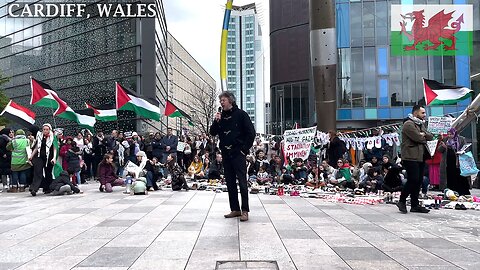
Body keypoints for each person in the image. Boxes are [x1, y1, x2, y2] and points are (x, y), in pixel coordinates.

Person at [210, 91, 255, 222]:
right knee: (229, 182)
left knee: (242, 182)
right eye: (220, 101)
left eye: (223, 100)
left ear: (230, 100)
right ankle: (235, 209)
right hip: (226, 153)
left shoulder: (241, 115)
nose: (221, 103)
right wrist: (216, 121)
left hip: (238, 153)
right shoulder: (221, 116)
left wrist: (244, 150)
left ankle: (245, 210)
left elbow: (251, 133)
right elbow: (212, 132)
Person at [397, 105, 433, 214]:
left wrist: (423, 134)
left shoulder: (420, 124)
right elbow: (418, 138)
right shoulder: (408, 124)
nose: (424, 115)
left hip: (420, 156)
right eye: (422, 113)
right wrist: (423, 135)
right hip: (410, 157)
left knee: (418, 181)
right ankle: (402, 201)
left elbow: (430, 136)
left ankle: (415, 204)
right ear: (415, 113)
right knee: (413, 179)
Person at [438, 128, 471, 196]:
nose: (449, 136)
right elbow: (439, 150)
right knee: (450, 176)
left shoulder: (461, 139)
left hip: (459, 161)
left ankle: (463, 192)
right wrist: (443, 147)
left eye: (451, 134)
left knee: (461, 176)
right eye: (448, 134)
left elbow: (466, 148)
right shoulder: (445, 139)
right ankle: (452, 192)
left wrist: (462, 151)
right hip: (448, 161)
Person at [29, 124, 57, 196]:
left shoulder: (53, 137)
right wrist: (31, 156)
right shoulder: (40, 136)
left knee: (48, 172)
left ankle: (48, 188)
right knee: (37, 171)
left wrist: (54, 158)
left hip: (49, 157)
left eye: (47, 129)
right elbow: (37, 147)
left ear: (49, 130)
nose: (45, 131)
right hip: (40, 156)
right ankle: (34, 189)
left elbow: (55, 148)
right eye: (44, 129)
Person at [0, 128, 12, 192]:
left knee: (5, 171)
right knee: (5, 171)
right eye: (9, 132)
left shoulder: (7, 138)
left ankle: (7, 184)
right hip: (4, 157)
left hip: (5, 156)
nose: (11, 133)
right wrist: (3, 154)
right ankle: (7, 184)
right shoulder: (3, 138)